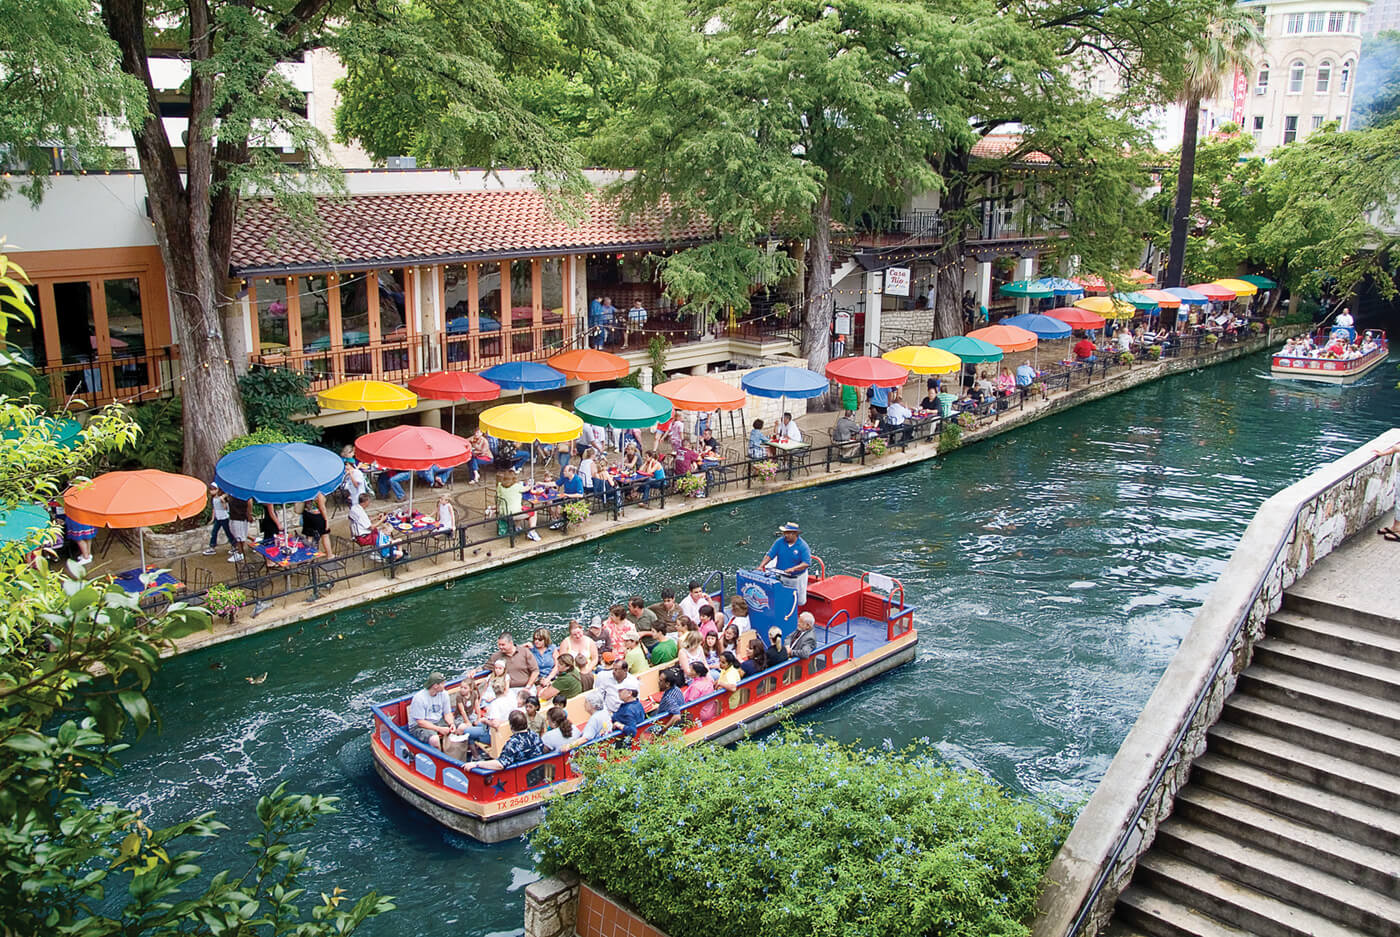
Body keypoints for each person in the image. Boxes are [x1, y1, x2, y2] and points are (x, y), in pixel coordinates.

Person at [470, 710, 546, 770]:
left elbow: (500, 764)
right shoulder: (535, 735)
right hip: (538, 772)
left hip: (522, 778)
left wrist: (477, 764)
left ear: (511, 726)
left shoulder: (513, 743)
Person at [758, 520, 812, 606]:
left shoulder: (803, 546)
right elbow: (770, 555)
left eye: (788, 533)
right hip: (781, 575)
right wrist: (761, 566)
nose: (785, 535)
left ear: (794, 534)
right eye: (784, 533)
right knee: (781, 597)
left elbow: (806, 563)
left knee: (799, 601)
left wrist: (793, 569)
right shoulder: (779, 542)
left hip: (797, 578)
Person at [408, 672, 458, 750]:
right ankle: (440, 757)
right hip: (419, 726)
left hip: (437, 720)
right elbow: (420, 722)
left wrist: (451, 724)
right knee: (434, 739)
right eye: (442, 683)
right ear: (435, 686)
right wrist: (439, 729)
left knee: (459, 728)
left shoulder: (444, 694)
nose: (445, 685)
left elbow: (447, 713)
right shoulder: (419, 698)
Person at [495, 469, 540, 542]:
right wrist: (529, 484)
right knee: (534, 512)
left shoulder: (500, 486)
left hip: (503, 513)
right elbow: (527, 488)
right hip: (514, 514)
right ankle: (532, 532)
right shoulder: (516, 486)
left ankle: (517, 526)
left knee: (521, 507)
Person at [204, 483, 236, 555]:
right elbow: (214, 509)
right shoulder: (213, 499)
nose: (211, 491)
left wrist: (223, 500)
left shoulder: (221, 498)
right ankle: (212, 547)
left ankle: (235, 546)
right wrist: (212, 518)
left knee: (228, 532)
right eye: (210, 490)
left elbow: (225, 508)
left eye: (213, 490)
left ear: (217, 489)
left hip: (224, 518)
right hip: (218, 518)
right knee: (214, 532)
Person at [225, 494, 251, 563]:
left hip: (240, 518)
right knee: (236, 535)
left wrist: (249, 515)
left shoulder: (243, 494)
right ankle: (239, 550)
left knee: (239, 537)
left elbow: (249, 502)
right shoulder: (232, 493)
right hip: (233, 517)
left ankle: (240, 553)